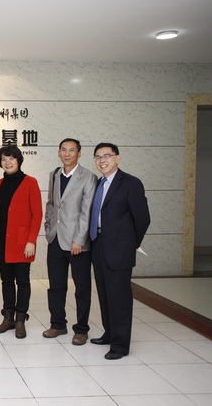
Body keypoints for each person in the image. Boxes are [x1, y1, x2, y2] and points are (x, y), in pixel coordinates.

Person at [89, 142, 150, 360]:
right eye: (98, 157)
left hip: (119, 249)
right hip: (98, 245)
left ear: (117, 158)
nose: (102, 160)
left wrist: (129, 244)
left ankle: (120, 344)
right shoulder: (98, 183)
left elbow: (143, 219)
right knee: (105, 293)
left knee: (120, 297)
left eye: (106, 155)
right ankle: (110, 333)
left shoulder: (131, 183)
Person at [43, 139, 97, 345]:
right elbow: (51, 204)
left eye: (71, 150)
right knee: (56, 286)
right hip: (56, 239)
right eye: (63, 150)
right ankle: (57, 324)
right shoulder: (55, 174)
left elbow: (87, 211)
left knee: (82, 288)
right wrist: (48, 228)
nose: (67, 154)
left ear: (79, 154)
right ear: (59, 153)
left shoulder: (88, 177)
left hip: (77, 244)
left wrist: (79, 240)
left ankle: (81, 329)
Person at [0, 145, 42, 339]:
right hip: (2, 241)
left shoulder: (30, 182)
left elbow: (37, 214)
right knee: (6, 281)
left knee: (23, 281)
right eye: (4, 159)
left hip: (21, 243)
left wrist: (31, 241)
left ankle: (20, 320)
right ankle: (8, 317)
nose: (7, 162)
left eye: (11, 158)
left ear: (18, 160)